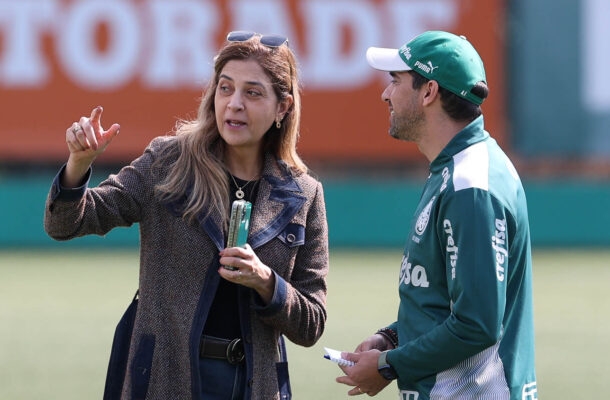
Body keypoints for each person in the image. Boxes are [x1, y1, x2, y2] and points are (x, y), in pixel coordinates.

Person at [44, 31, 329, 400]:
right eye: (225, 88)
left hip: (254, 388)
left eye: (252, 93)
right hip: (164, 381)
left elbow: (312, 324)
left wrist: (265, 281)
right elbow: (68, 223)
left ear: (283, 107)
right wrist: (78, 165)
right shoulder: (169, 163)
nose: (234, 104)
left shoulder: (305, 194)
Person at [335, 31, 537, 399]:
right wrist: (392, 337)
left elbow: (477, 324)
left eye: (395, 81)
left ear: (428, 92)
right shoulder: (456, 170)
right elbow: (448, 299)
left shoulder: (470, 186)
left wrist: (388, 365)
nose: (385, 93)